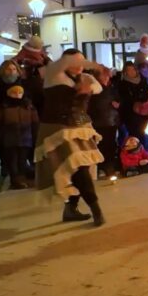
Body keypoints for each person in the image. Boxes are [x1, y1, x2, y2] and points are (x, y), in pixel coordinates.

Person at [35, 49, 106, 225]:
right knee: (77, 167)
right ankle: (96, 209)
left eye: (82, 63)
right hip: (58, 129)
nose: (80, 66)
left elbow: (98, 87)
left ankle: (70, 209)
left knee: (78, 169)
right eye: (75, 63)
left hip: (80, 127)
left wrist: (88, 86)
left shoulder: (84, 78)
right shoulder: (54, 76)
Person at [0, 85, 38, 189]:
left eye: (19, 92)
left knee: (22, 159)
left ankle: (20, 179)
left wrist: (35, 136)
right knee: (12, 159)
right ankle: (14, 180)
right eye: (14, 92)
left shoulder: (28, 106)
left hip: (25, 137)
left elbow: (35, 123)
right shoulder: (3, 107)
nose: (17, 95)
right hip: (9, 137)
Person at [118, 62, 148, 152]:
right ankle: (135, 157)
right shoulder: (122, 84)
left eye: (133, 69)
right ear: (125, 72)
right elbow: (124, 99)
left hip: (143, 113)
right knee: (135, 135)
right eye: (128, 70)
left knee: (142, 134)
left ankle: (144, 156)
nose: (131, 72)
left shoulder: (143, 80)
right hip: (130, 114)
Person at [88, 67, 121, 178]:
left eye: (108, 75)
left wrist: (117, 104)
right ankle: (101, 167)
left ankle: (109, 166)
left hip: (112, 120)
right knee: (101, 145)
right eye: (105, 75)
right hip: (99, 121)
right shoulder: (95, 88)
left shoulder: (111, 87)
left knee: (111, 145)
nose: (108, 77)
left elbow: (118, 98)